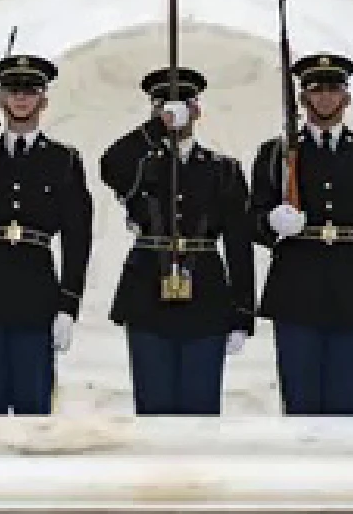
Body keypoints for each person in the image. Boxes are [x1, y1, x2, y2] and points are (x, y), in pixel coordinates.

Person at [251, 52, 353, 415]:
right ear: (304, 98)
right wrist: (272, 222)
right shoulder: (275, 154)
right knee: (301, 404)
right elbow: (250, 219)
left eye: (333, 90)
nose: (325, 98)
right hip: (296, 290)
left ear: (347, 97)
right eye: (316, 90)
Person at [99, 67, 254, 415]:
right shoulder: (139, 166)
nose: (175, 112)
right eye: (163, 106)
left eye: (183, 103)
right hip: (146, 295)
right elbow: (109, 164)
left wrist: (243, 314)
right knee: (153, 408)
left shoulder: (223, 169)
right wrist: (158, 128)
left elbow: (238, 244)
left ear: (197, 109)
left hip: (207, 296)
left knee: (201, 410)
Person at [0, 53, 93, 414]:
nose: (21, 98)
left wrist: (68, 306)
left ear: (43, 99)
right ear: (1, 98)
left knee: (34, 412)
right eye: (13, 90)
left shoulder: (64, 160)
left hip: (36, 298)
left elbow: (77, 239)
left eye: (30, 91)